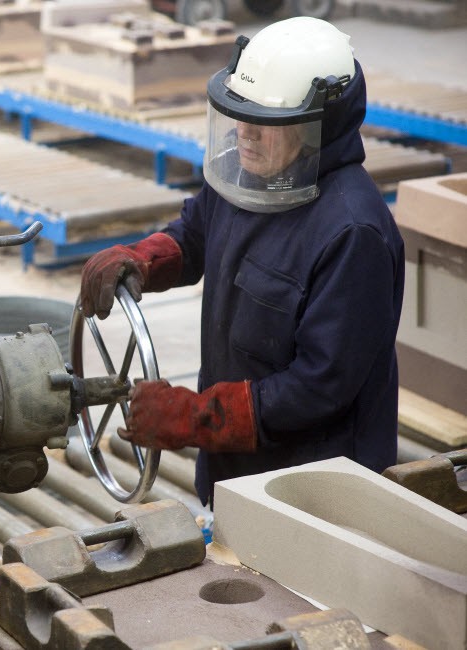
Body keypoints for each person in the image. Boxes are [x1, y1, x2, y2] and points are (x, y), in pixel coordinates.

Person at [79, 17, 405, 507]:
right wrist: (142, 259)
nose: (244, 133)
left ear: (321, 125)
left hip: (317, 492)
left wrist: (194, 417)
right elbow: (195, 234)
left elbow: (319, 387)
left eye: (266, 122)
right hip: (235, 472)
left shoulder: (353, 233)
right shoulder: (251, 169)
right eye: (239, 113)